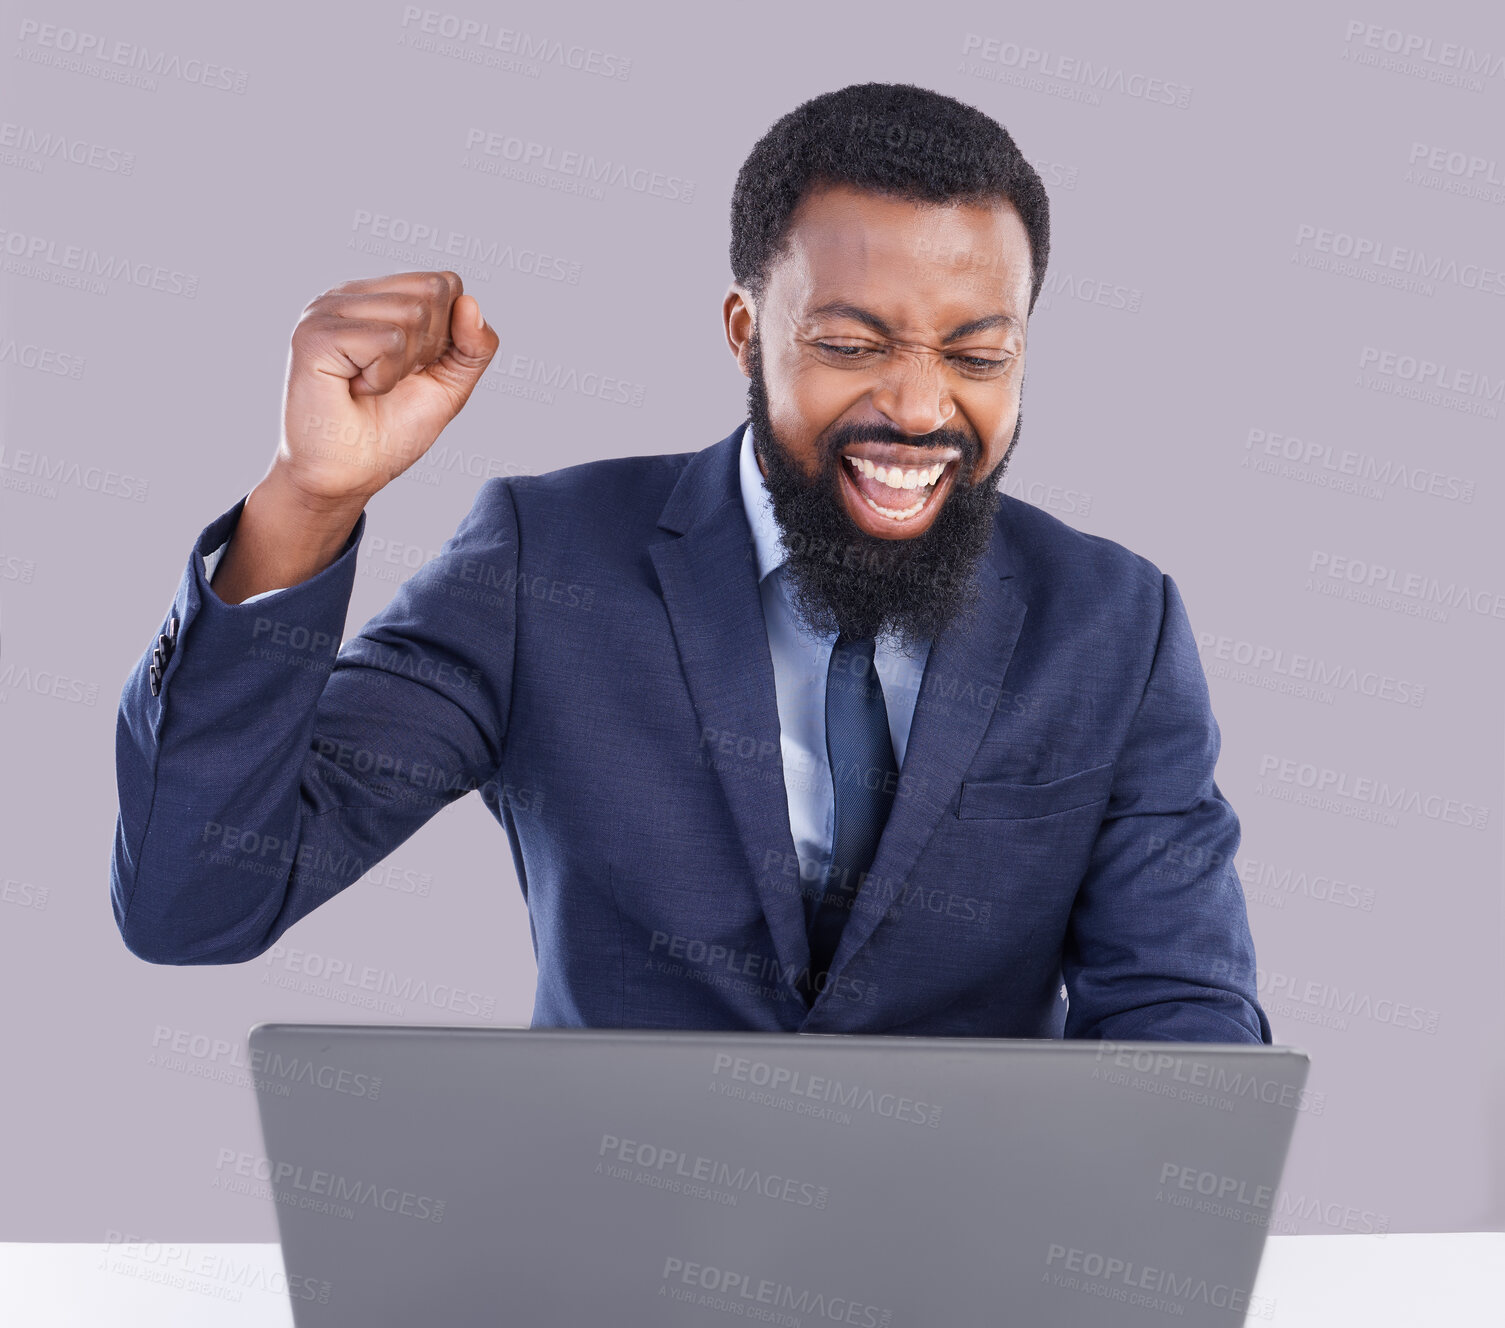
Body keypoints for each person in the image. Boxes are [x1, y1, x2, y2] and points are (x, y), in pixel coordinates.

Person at [112, 81, 1270, 1042]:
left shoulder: (1115, 622)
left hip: (963, 1267)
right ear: (744, 333)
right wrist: (309, 501)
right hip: (606, 1254)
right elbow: (196, 899)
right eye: (848, 344)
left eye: (977, 352)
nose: (920, 406)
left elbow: (1177, 1014)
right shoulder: (541, 564)